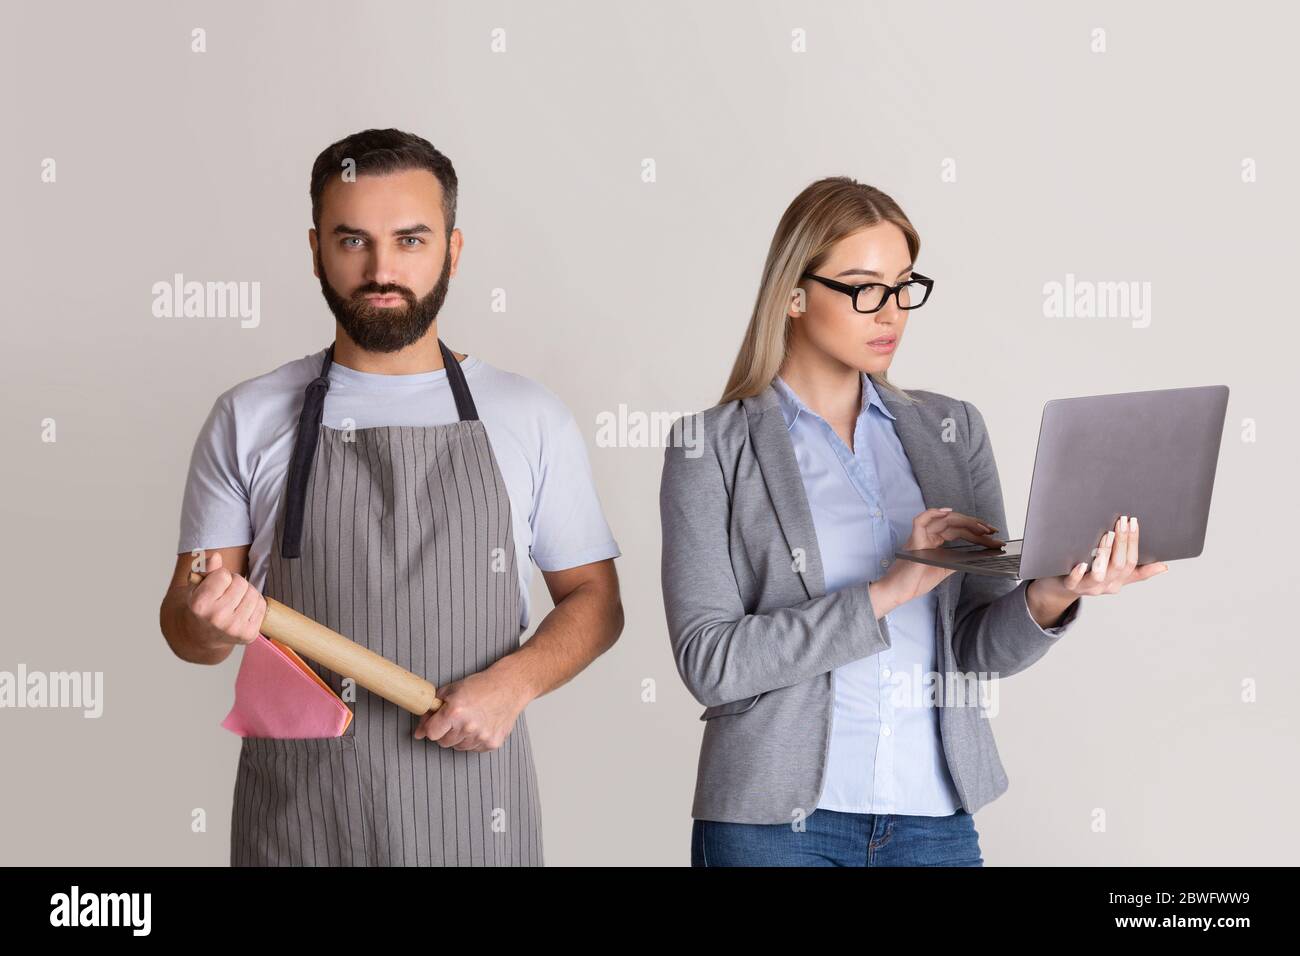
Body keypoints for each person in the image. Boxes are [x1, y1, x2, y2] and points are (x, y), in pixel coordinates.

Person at [659, 176, 1169, 867]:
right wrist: (891, 588)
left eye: (903, 286)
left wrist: (1057, 592)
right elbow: (710, 662)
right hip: (772, 829)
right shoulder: (711, 446)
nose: (891, 312)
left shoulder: (952, 430)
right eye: (864, 288)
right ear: (794, 295)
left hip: (932, 822)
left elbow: (977, 647)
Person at [158, 128, 624, 866]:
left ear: (454, 249)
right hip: (301, 820)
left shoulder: (528, 415)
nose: (382, 269)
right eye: (353, 241)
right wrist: (212, 621)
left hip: (476, 816)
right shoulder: (249, 415)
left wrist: (515, 684)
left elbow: (597, 600)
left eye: (410, 240)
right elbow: (186, 624)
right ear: (316, 249)